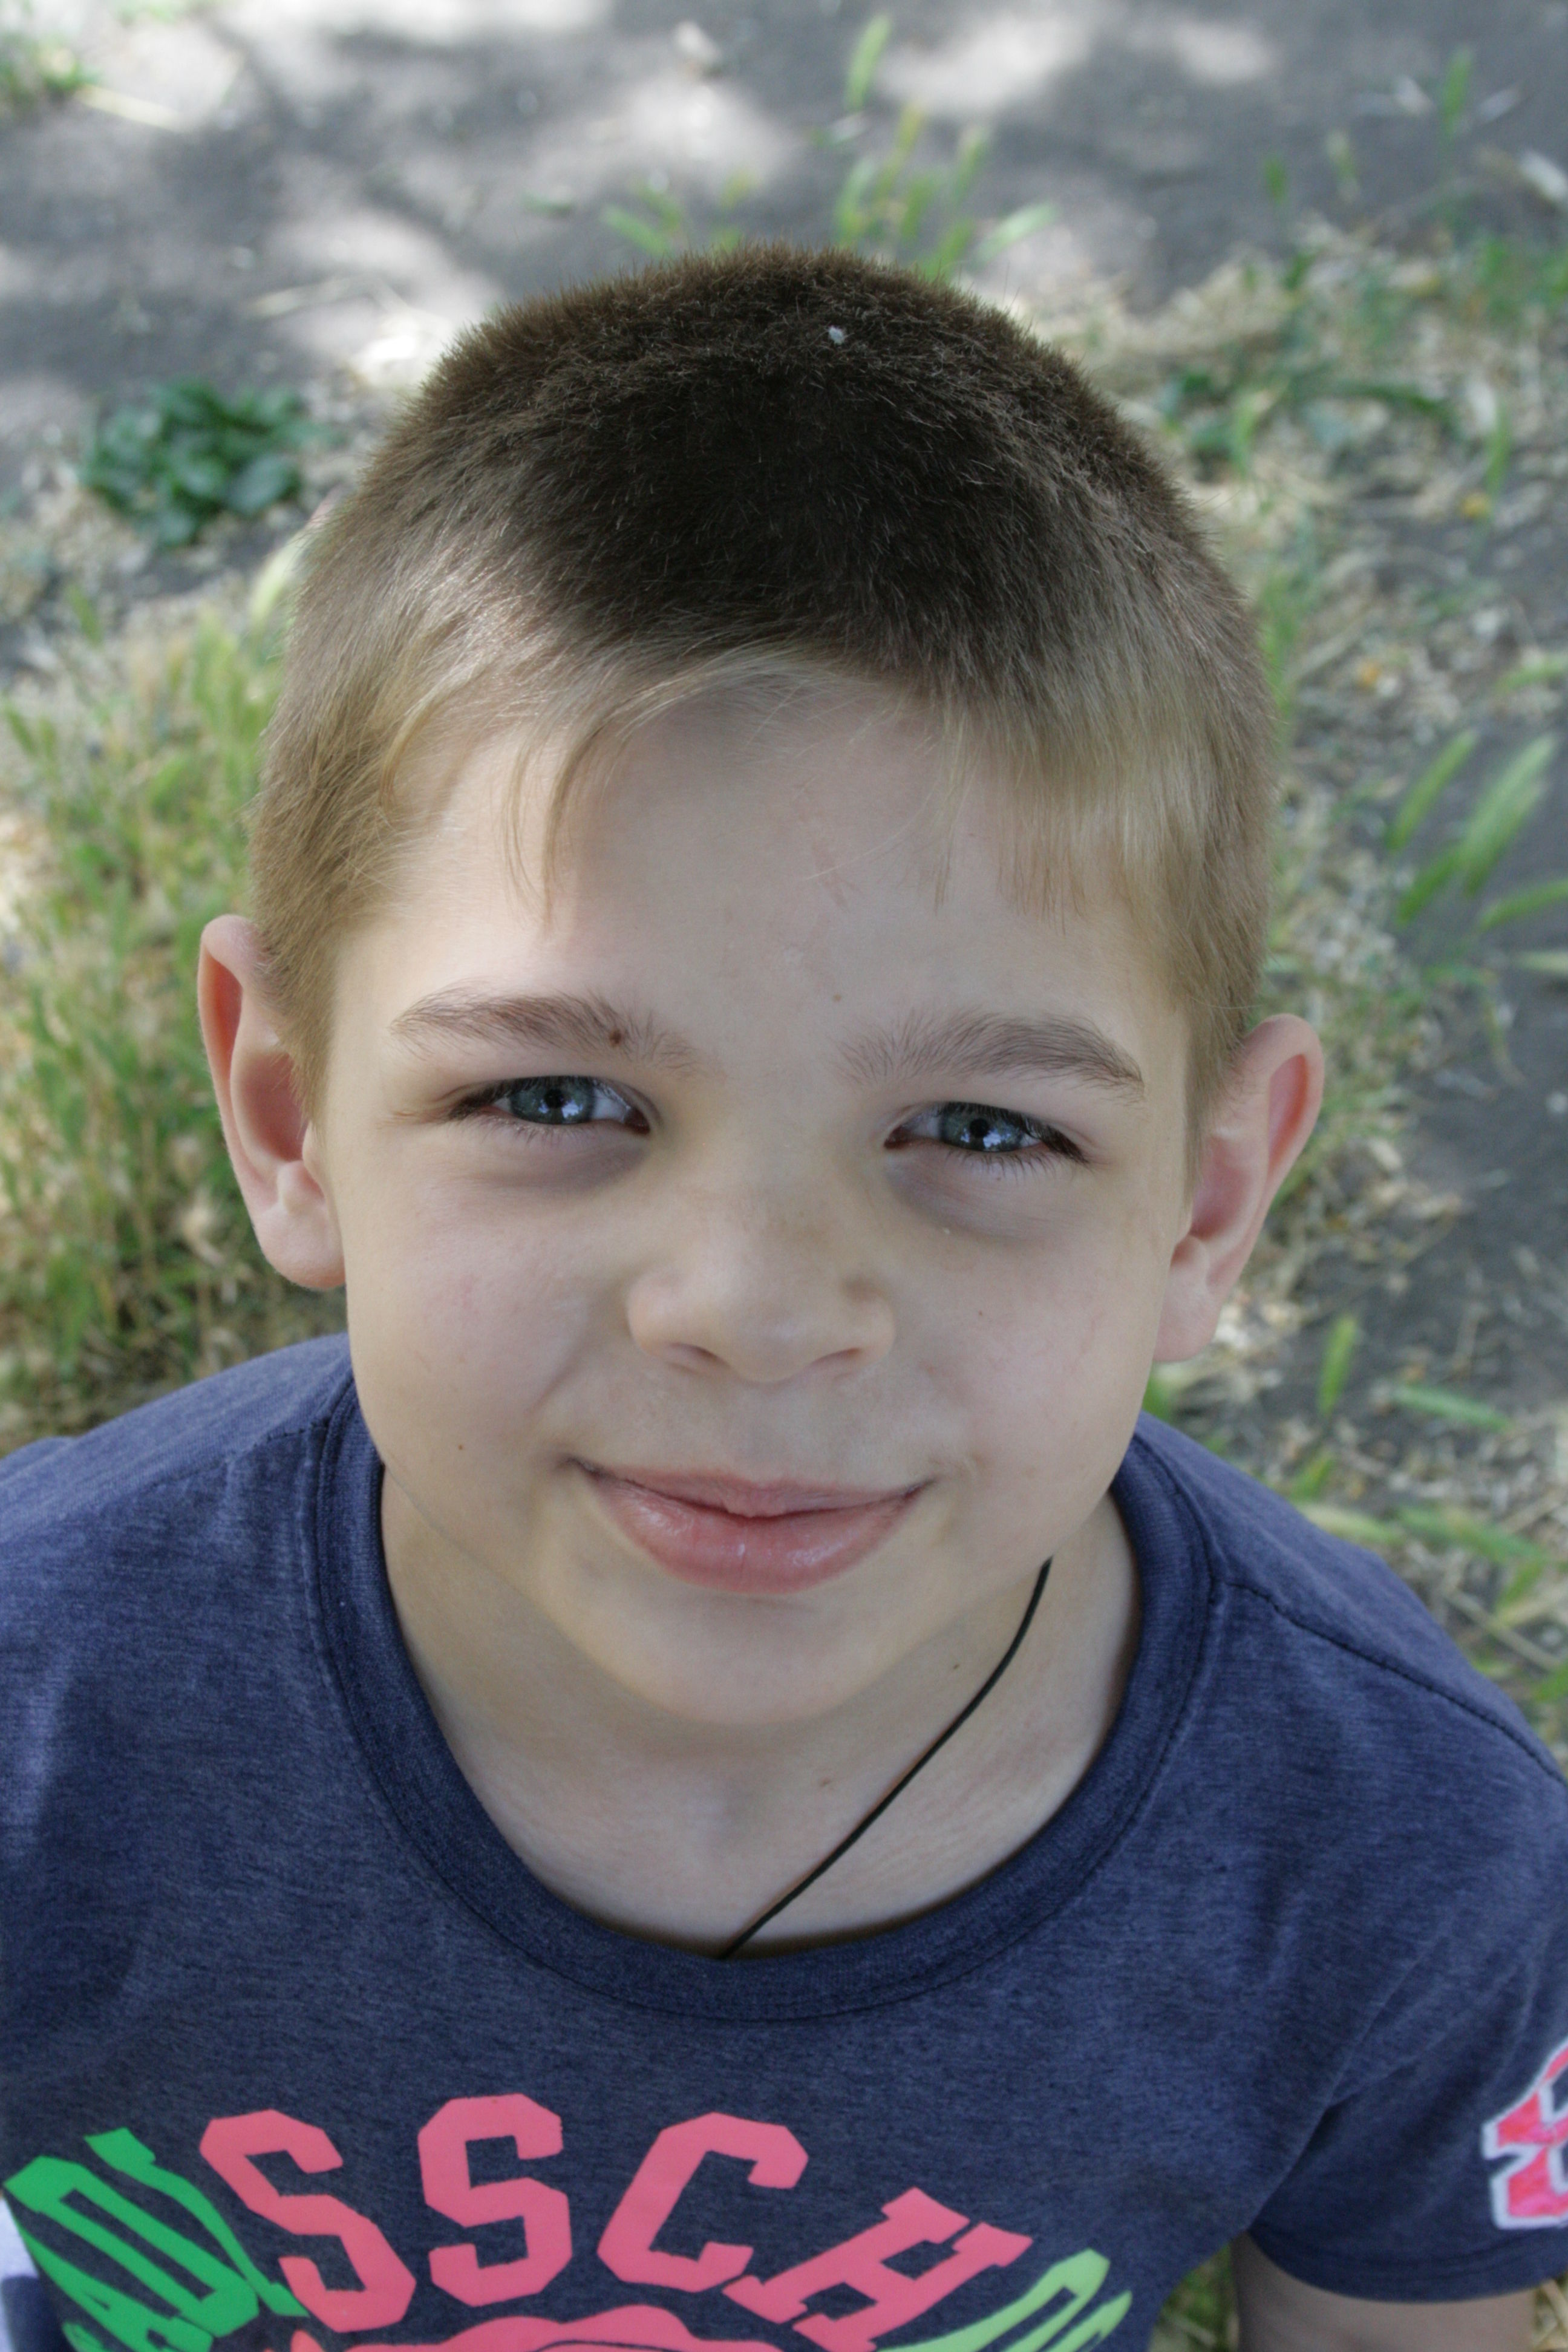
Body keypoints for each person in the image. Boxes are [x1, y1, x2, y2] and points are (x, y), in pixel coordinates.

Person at [2, 249, 1565, 2352]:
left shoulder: (1397, 1857)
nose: (753, 1310)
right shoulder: (39, 1715)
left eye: (983, 1129)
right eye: (559, 1098)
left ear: (1207, 1201)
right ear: (288, 1114)